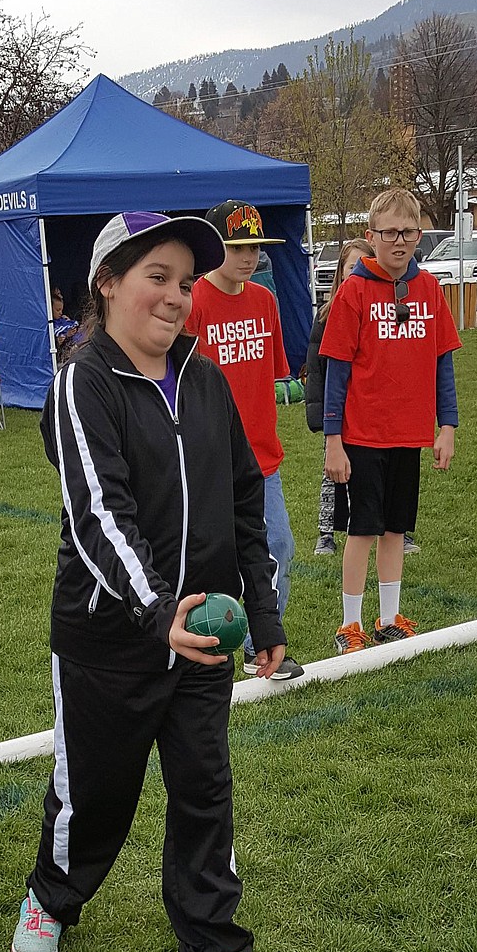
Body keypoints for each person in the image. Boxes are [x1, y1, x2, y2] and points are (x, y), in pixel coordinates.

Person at [11, 211, 285, 952]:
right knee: (95, 790)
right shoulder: (81, 382)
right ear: (108, 284)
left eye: (186, 282)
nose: (176, 298)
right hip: (109, 636)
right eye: (156, 278)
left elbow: (245, 501)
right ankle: (53, 897)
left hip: (200, 641)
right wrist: (156, 608)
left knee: (206, 787)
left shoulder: (204, 377)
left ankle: (212, 938)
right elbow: (100, 514)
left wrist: (262, 615)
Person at [320, 188, 461, 655]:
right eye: (389, 233)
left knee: (396, 528)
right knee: (362, 528)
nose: (399, 242)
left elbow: (443, 362)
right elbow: (336, 371)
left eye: (408, 232)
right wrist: (333, 441)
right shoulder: (353, 292)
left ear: (420, 234)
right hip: (362, 436)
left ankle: (388, 617)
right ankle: (351, 623)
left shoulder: (430, 289)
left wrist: (447, 427)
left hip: (409, 434)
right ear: (371, 236)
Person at [184, 199, 302, 681]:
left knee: (279, 546)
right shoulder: (194, 302)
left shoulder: (265, 300)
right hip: (206, 460)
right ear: (215, 249)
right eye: (237, 247)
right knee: (204, 560)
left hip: (261, 458)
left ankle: (261, 645)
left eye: (255, 246)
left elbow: (273, 375)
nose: (249, 256)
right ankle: (200, 647)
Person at [306, 238, 372, 555]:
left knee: (376, 471)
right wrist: (319, 413)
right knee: (332, 473)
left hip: (369, 408)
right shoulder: (326, 315)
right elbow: (317, 369)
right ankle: (326, 534)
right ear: (340, 273)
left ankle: (388, 528)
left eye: (363, 266)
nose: (357, 273)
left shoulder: (380, 312)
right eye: (351, 267)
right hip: (338, 411)